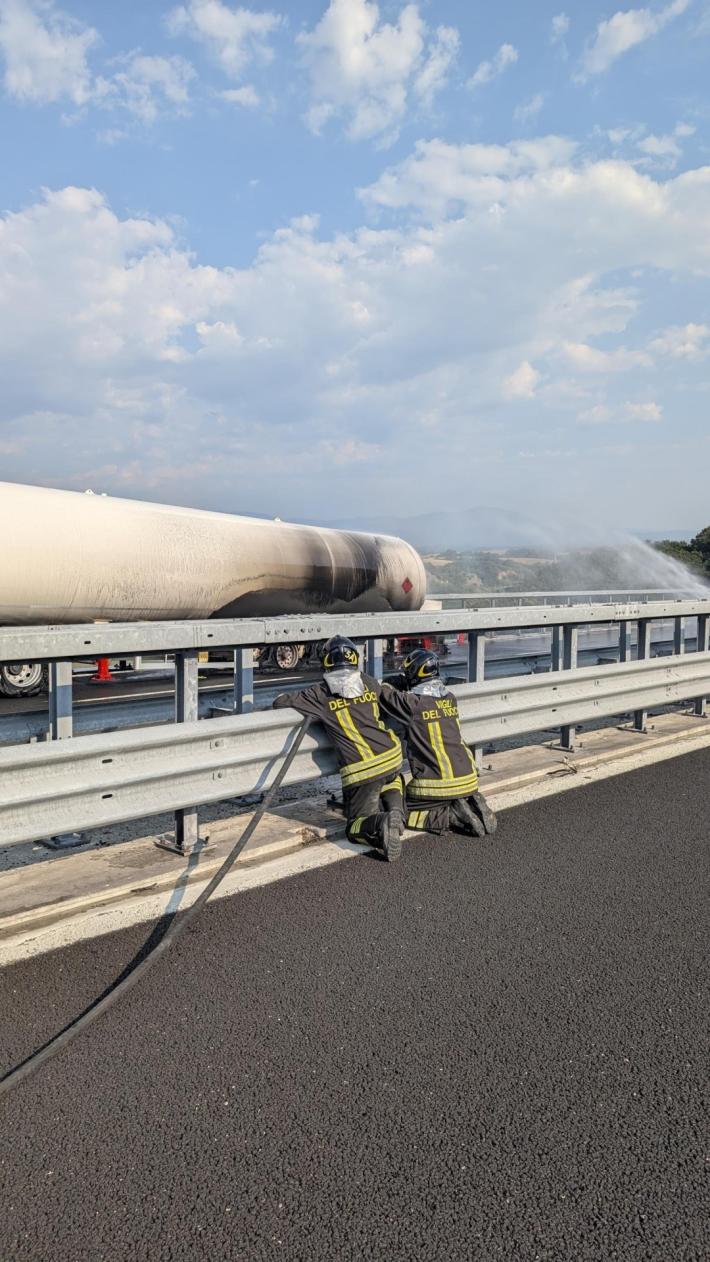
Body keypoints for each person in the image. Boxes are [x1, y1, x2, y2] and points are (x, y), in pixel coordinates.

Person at [272, 635, 405, 861]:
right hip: (392, 756)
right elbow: (385, 694)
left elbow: (280, 702)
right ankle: (397, 815)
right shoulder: (368, 682)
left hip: (363, 772)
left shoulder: (319, 693)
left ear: (327, 662)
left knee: (354, 828)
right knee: (392, 780)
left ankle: (381, 822)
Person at [379, 648, 497, 839]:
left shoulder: (412, 704)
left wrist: (398, 681)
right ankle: (467, 801)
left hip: (436, 783)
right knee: (441, 796)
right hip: (468, 777)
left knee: (406, 812)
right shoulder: (450, 699)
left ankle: (448, 816)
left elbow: (384, 694)